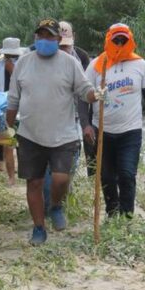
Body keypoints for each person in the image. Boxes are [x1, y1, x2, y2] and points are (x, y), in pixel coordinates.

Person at [6, 18, 106, 245]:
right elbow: (13, 99)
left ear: (58, 39)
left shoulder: (69, 63)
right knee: (34, 183)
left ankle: (56, 205)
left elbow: (84, 90)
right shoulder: (23, 63)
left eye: (50, 36)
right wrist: (8, 128)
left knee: (61, 179)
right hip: (31, 133)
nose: (45, 40)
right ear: (35, 38)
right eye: (41, 36)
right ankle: (39, 228)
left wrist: (97, 95)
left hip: (63, 134)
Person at [85, 23, 145, 217]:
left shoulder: (140, 64)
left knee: (127, 175)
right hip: (103, 130)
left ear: (130, 40)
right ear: (108, 40)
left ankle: (127, 217)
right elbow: (82, 96)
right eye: (115, 40)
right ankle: (112, 213)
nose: (119, 43)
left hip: (130, 131)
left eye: (123, 40)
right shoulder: (96, 65)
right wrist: (86, 125)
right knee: (107, 176)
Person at [42, 21, 92, 213]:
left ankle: (60, 199)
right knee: (48, 166)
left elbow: (85, 91)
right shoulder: (40, 57)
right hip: (47, 118)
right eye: (60, 45)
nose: (63, 49)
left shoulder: (81, 58)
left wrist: (86, 121)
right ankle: (49, 204)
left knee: (69, 164)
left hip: (73, 118)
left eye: (66, 45)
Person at [0, 37, 25, 186]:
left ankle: (24, 173)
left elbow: (25, 84)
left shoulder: (23, 65)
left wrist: (13, 70)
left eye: (12, 56)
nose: (9, 58)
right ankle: (11, 177)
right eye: (7, 55)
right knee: (7, 144)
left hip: (22, 109)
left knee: (22, 144)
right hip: (3, 108)